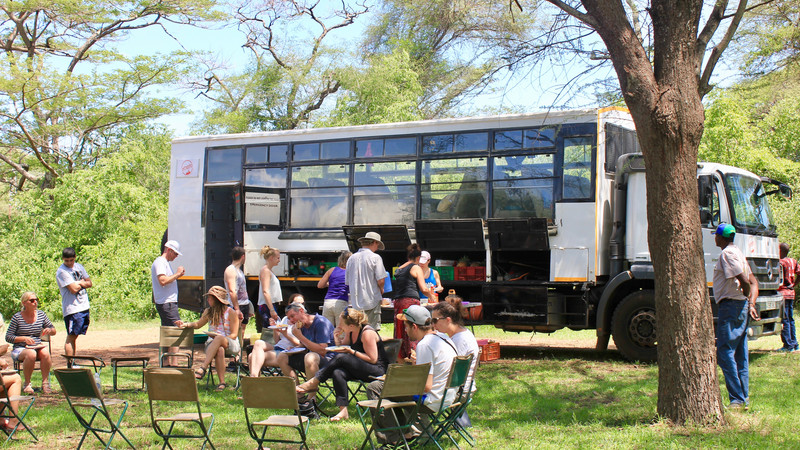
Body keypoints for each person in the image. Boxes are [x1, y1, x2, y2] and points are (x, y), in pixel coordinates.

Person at [366, 305, 456, 444]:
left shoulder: (425, 345)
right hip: (448, 397)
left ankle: (394, 439)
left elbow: (425, 386)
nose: (405, 331)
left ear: (414, 326)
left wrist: (399, 381)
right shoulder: (444, 338)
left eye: (406, 327)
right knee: (386, 387)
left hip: (432, 400)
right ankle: (407, 433)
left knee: (375, 387)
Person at [296, 308, 389, 421]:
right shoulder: (350, 332)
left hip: (377, 370)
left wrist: (352, 352)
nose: (339, 325)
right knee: (337, 372)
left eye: (341, 323)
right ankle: (343, 411)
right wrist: (337, 339)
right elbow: (342, 346)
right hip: (360, 368)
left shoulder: (367, 333)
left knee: (342, 358)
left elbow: (373, 359)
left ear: (350, 325)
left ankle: (314, 381)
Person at [713, 223, 759, 409]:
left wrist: (745, 295)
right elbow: (755, 282)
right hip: (739, 306)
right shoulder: (738, 252)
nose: (715, 238)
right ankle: (743, 398)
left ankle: (737, 399)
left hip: (731, 306)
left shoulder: (728, 254)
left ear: (721, 238)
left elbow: (747, 282)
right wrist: (751, 303)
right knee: (740, 353)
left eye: (716, 235)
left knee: (724, 352)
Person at [176, 286, 241, 391]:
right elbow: (198, 324)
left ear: (217, 299)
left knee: (219, 339)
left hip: (231, 343)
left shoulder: (231, 312)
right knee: (219, 349)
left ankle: (203, 368)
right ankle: (222, 383)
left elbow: (234, 334)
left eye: (210, 298)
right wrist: (185, 324)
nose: (208, 300)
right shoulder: (208, 311)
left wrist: (220, 338)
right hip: (213, 344)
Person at [431, 301, 479, 427]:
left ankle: (419, 433)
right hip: (463, 388)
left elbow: (449, 371)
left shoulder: (459, 340)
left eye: (435, 320)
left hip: (458, 392)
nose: (433, 325)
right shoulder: (462, 334)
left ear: (448, 320)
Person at [5, 292, 57, 394]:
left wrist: (49, 330)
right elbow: (8, 337)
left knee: (45, 353)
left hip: (37, 346)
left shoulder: (41, 314)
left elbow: (53, 330)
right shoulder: (17, 317)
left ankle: (45, 383)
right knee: (31, 354)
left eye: (36, 300)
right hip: (20, 349)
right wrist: (23, 338)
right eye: (32, 300)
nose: (35, 302)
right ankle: (27, 384)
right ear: (24, 303)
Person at [276, 303, 335, 385]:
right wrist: (293, 350)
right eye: (289, 318)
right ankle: (297, 392)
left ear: (301, 311)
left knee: (310, 357)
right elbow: (303, 346)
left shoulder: (320, 322)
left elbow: (322, 350)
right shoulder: (301, 325)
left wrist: (299, 336)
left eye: (292, 316)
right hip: (311, 359)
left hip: (329, 360)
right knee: (282, 356)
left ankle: (311, 396)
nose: (291, 321)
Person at [248, 294, 304, 377]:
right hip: (278, 346)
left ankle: (254, 379)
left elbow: (301, 343)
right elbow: (277, 340)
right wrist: (275, 328)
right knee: (258, 343)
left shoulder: (301, 323)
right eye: (296, 303)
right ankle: (254, 378)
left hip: (288, 351)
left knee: (251, 356)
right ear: (289, 304)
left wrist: (286, 335)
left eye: (302, 303)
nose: (300, 306)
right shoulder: (285, 319)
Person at [393, 244, 432, 362]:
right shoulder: (416, 267)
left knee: (400, 330)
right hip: (410, 302)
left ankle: (400, 358)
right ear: (418, 257)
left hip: (398, 302)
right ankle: (414, 357)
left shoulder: (399, 269)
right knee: (413, 329)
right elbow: (424, 289)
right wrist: (432, 297)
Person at [346, 231, 388, 330]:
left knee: (357, 330)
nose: (377, 248)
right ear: (374, 242)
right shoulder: (375, 258)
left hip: (355, 302)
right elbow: (381, 280)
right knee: (371, 330)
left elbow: (348, 281)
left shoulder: (351, 258)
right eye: (377, 244)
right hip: (371, 299)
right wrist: (381, 289)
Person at [152, 240, 185, 366]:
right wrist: (177, 274)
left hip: (167, 302)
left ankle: (165, 363)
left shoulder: (164, 263)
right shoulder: (160, 262)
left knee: (167, 332)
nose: (176, 256)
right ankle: (174, 363)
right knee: (177, 331)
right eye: (175, 253)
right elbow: (163, 280)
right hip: (167, 303)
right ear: (169, 250)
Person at [56, 247, 92, 359]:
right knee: (71, 336)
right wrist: (82, 282)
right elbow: (73, 289)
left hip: (83, 306)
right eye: (66, 260)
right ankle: (70, 364)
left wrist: (79, 283)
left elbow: (89, 282)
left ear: (75, 258)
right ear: (62, 259)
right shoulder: (62, 271)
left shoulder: (79, 267)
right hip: (72, 308)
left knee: (76, 335)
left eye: (71, 260)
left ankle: (73, 362)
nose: (69, 263)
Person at [225, 246, 253, 339]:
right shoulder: (230, 270)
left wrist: (249, 307)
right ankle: (234, 351)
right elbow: (232, 291)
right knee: (235, 331)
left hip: (244, 304)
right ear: (243, 256)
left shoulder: (239, 271)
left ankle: (239, 351)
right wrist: (236, 309)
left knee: (242, 331)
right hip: (235, 305)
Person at [778, 242, 800, 352]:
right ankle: (795, 343)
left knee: (785, 319)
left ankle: (788, 345)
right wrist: (794, 284)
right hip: (791, 293)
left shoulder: (780, 262)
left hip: (783, 293)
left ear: (780, 251)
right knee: (791, 319)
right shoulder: (793, 261)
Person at [320, 251, 351, 327]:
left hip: (328, 302)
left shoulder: (332, 270)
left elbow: (320, 285)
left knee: (327, 331)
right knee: (341, 331)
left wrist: (331, 284)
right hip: (341, 302)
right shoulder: (350, 272)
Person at [257, 245, 283, 326]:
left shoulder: (269, 270)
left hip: (270, 304)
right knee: (270, 329)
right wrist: (271, 309)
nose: (279, 260)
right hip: (267, 305)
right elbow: (265, 291)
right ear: (271, 258)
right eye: (278, 258)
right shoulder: (265, 271)